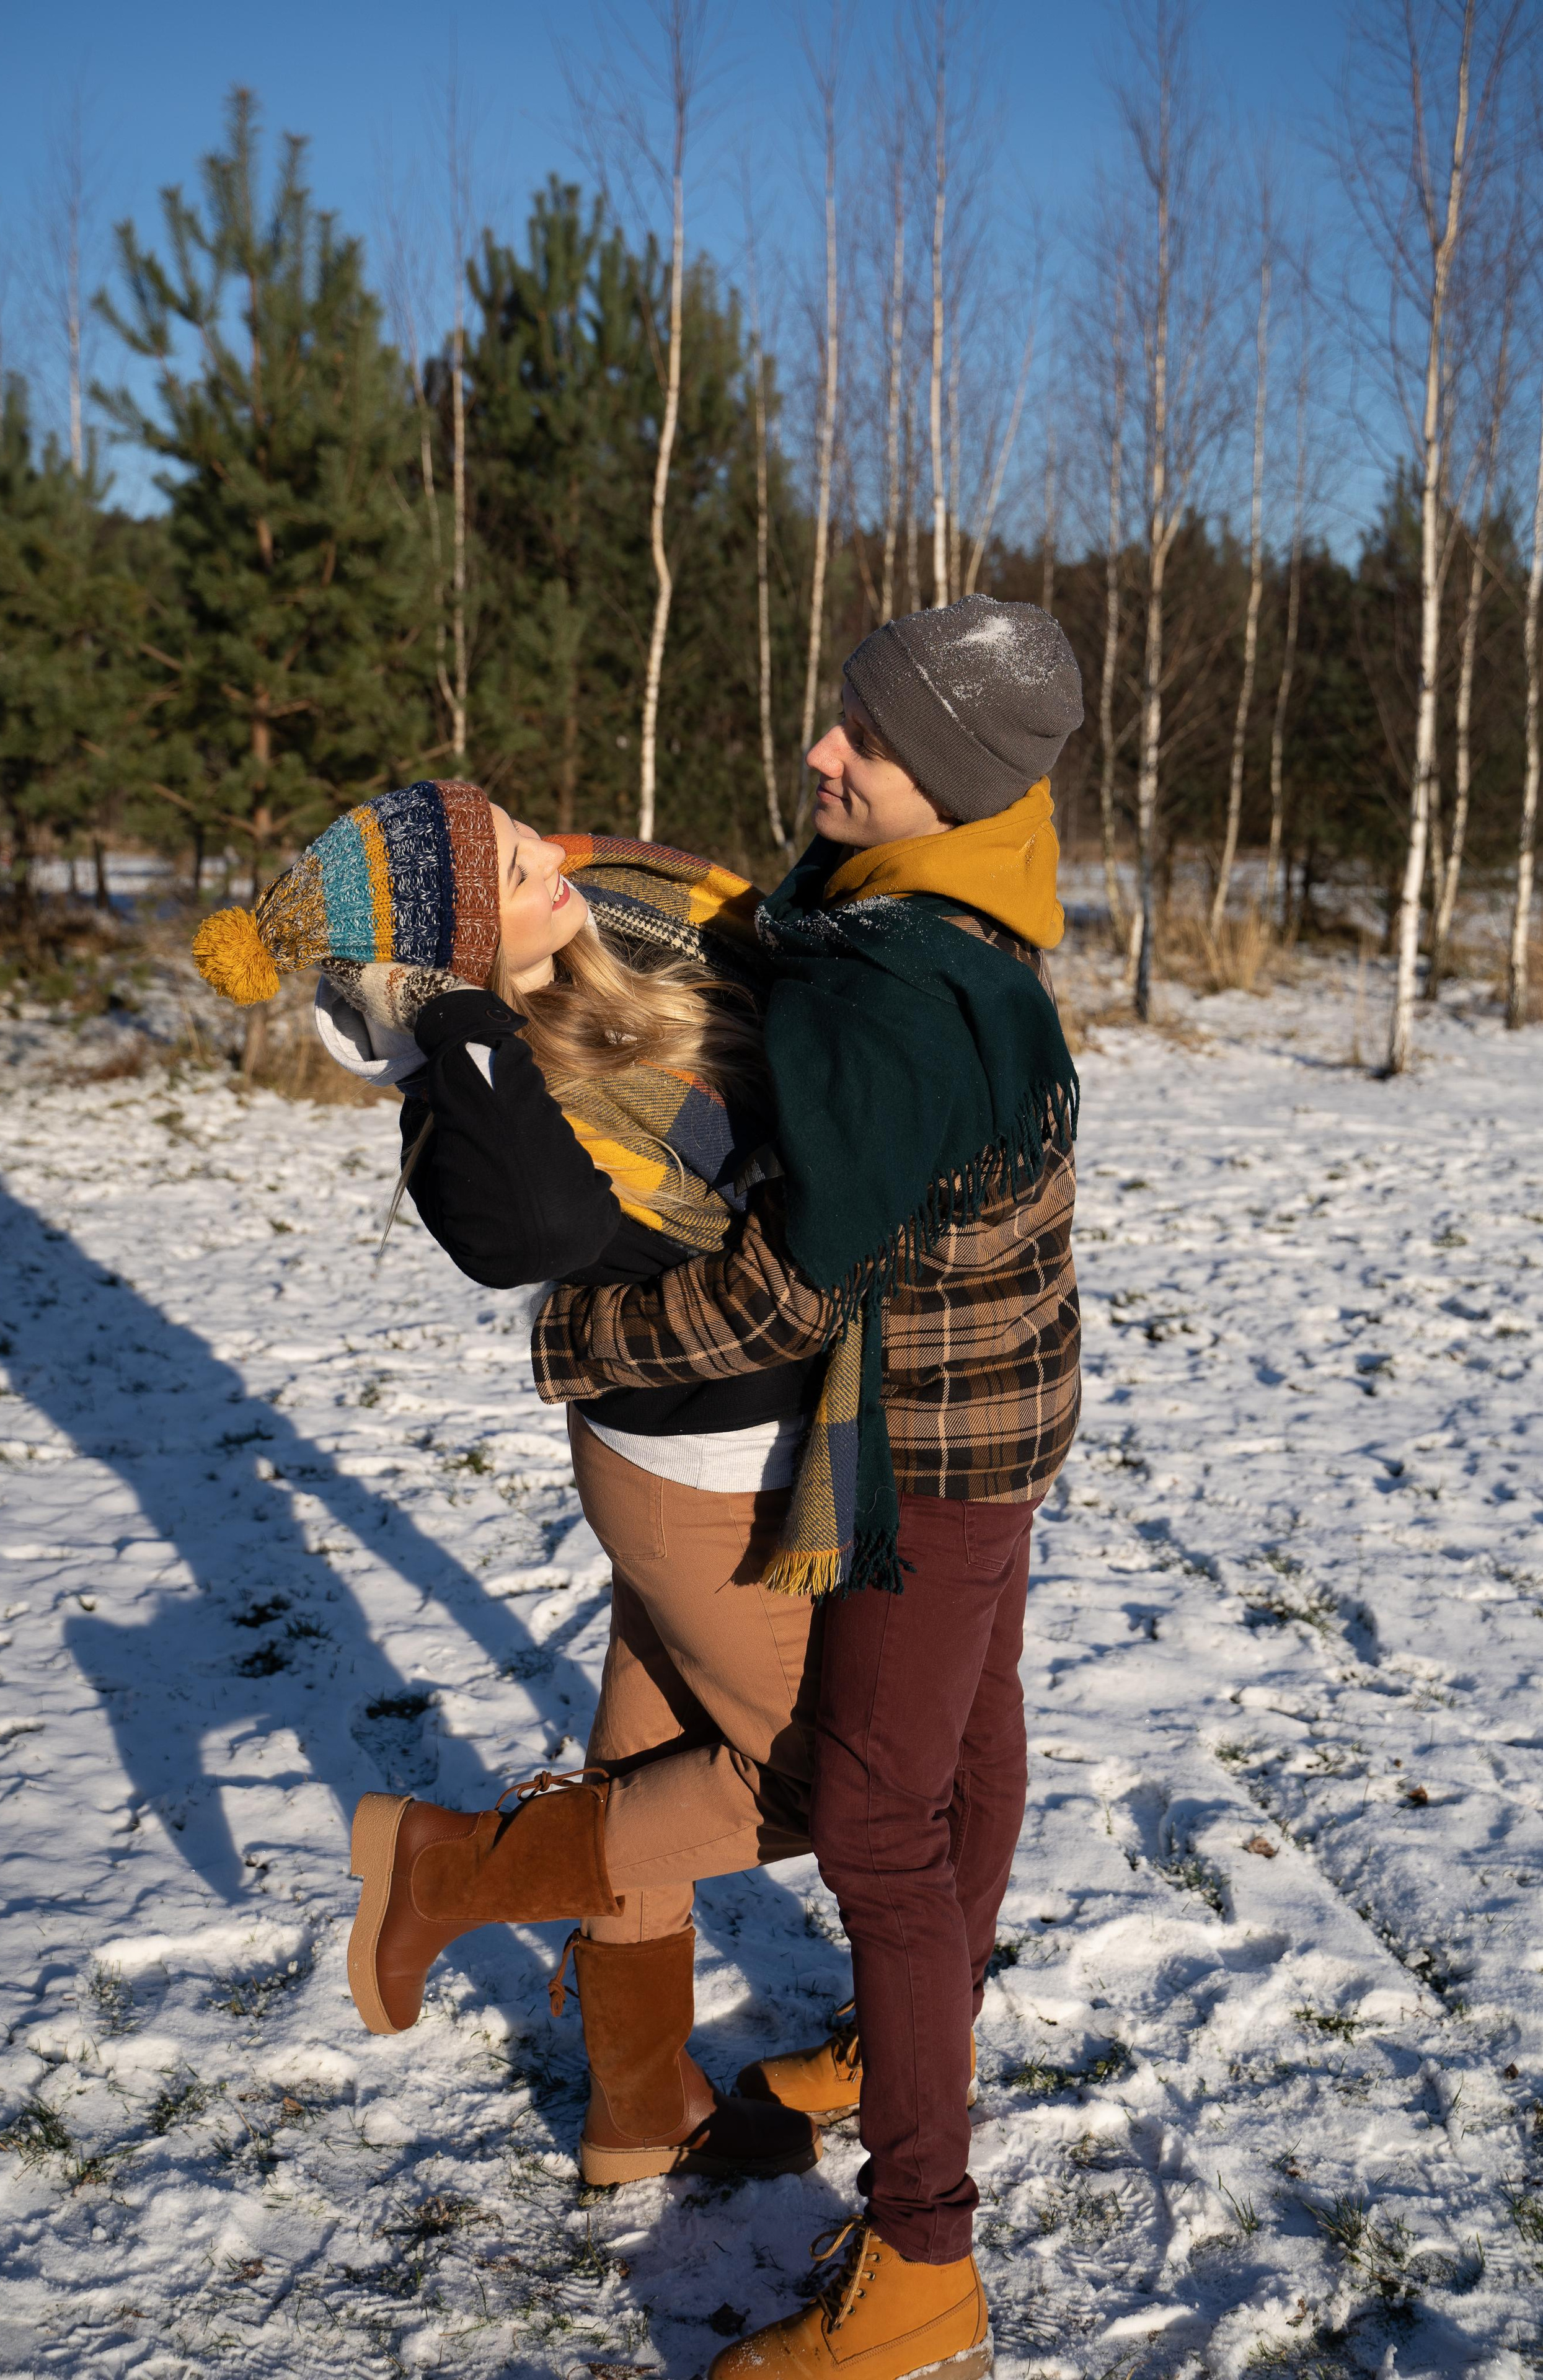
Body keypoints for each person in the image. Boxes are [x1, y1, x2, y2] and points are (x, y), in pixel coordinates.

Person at [530, 594, 1085, 2380]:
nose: (824, 752)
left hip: (930, 1452)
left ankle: (923, 2258)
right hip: (1013, 1415)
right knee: (967, 1758)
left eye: (868, 740)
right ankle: (894, 2037)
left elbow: (788, 1288)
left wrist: (582, 1339)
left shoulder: (891, 990)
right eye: (839, 715)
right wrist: (622, 886)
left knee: (869, 1827)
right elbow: (766, 938)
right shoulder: (973, 893)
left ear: (960, 778)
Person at [192, 783, 824, 2188]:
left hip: (714, 1443)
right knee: (826, 1781)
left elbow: (765, 923)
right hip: (701, 1474)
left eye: (529, 840)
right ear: (452, 958)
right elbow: (532, 1227)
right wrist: (462, 1014)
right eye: (512, 875)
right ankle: (448, 1868)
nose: (560, 865)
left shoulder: (620, 936)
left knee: (649, 1780)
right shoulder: (463, 1110)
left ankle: (636, 2115)